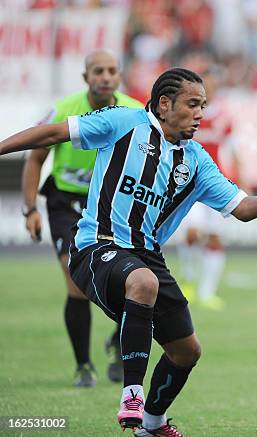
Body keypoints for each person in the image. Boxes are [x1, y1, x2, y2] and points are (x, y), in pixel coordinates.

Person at [0, 67, 257, 435]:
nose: (200, 114)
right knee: (143, 284)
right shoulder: (123, 122)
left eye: (204, 106)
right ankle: (131, 392)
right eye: (193, 104)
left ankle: (152, 422)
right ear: (164, 104)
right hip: (97, 245)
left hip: (147, 256)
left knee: (187, 352)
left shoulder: (196, 161)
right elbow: (53, 133)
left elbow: (242, 210)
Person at [21, 49, 143, 387]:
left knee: (131, 276)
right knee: (75, 282)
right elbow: (35, 159)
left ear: (119, 76)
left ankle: (119, 348)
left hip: (112, 205)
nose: (105, 76)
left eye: (112, 71)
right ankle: (83, 365)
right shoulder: (62, 109)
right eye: (98, 71)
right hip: (66, 203)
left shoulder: (135, 111)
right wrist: (30, 209)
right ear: (85, 77)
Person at [177, 57, 247, 310]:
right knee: (193, 233)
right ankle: (188, 280)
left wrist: (240, 180)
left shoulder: (223, 116)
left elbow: (234, 149)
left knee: (215, 238)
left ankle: (207, 292)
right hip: (187, 184)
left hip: (214, 184)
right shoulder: (187, 113)